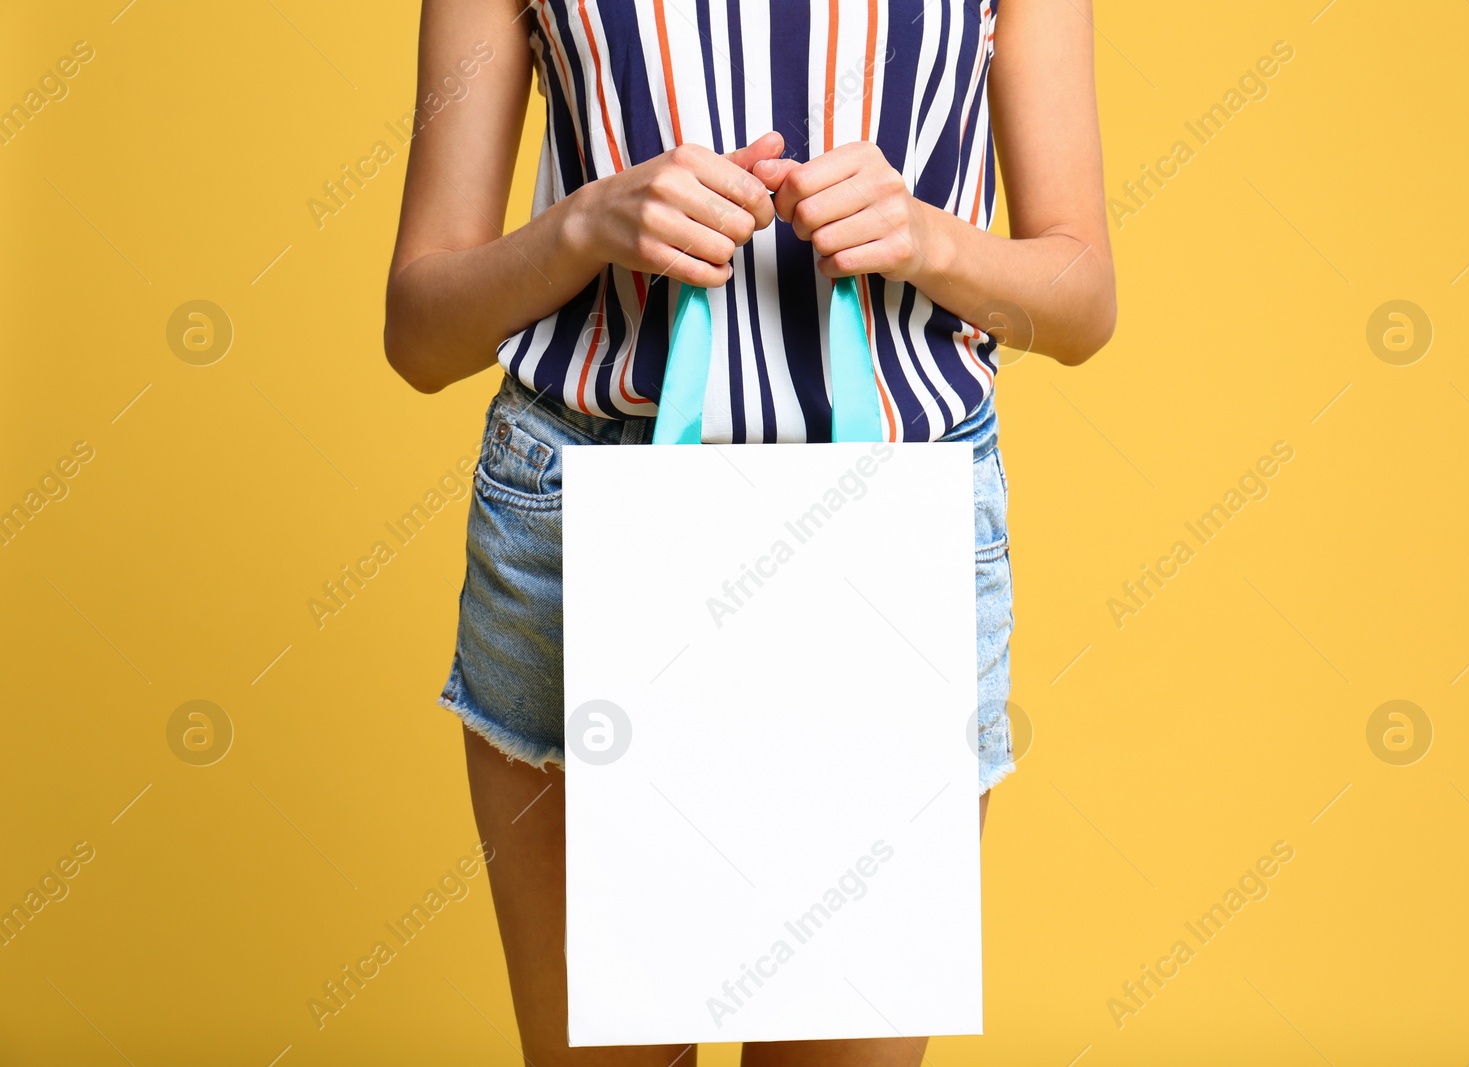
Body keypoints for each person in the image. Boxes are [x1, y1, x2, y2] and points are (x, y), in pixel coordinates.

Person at [384, 1, 1114, 1062]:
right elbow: (420, 333)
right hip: (582, 532)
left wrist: (927, 238)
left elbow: (1081, 301)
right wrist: (583, 226)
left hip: (886, 540)